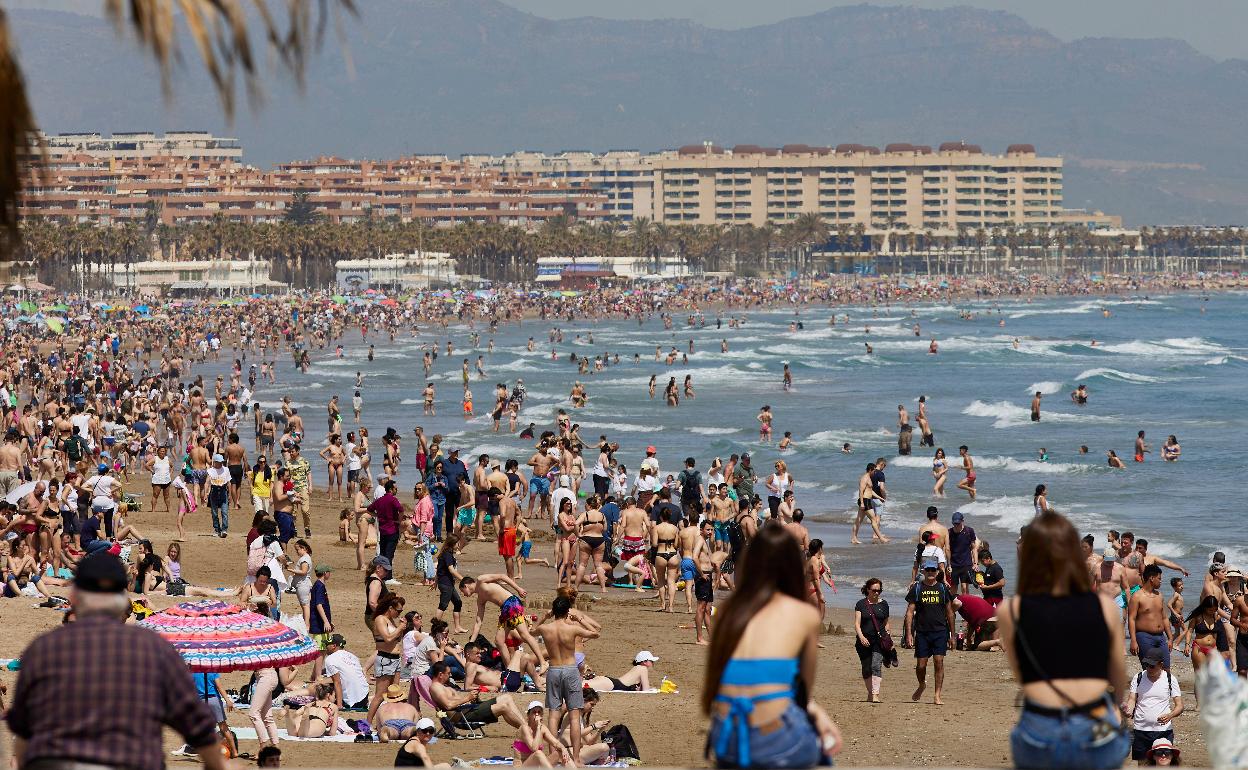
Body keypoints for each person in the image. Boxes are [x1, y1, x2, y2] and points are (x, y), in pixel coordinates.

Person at [7, 551, 228, 770]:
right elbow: (195, 722)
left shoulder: (44, 650)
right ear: (122, 597)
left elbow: (24, 735)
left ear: (75, 597)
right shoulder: (152, 649)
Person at [996, 511, 1130, 768]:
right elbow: (1117, 676)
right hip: (1092, 722)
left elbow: (1023, 675)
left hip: (1039, 729)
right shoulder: (1104, 607)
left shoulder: (1010, 611)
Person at [704, 521, 842, 768]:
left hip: (727, 738)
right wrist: (817, 714)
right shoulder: (803, 614)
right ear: (791, 566)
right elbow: (802, 693)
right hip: (775, 741)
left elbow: (712, 690)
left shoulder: (729, 611)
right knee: (821, 750)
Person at [534, 595, 599, 763]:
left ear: (554, 611)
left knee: (554, 715)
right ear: (567, 612)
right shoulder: (573, 628)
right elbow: (595, 634)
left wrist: (544, 617)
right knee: (574, 716)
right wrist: (580, 619)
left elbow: (531, 631)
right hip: (570, 670)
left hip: (554, 670)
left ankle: (552, 757)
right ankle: (576, 758)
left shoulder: (546, 629)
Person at [905, 557, 957, 705]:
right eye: (927, 570)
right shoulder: (917, 588)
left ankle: (937, 695)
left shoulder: (942, 588)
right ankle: (922, 684)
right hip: (922, 632)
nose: (930, 572)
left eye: (933, 570)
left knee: (938, 661)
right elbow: (910, 612)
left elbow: (950, 612)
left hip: (940, 631)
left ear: (937, 571)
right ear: (923, 571)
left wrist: (952, 636)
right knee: (921, 665)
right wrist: (909, 634)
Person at [1123, 650, 1183, 765]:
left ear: (1161, 664)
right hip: (1141, 730)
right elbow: (1132, 699)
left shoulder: (1170, 679)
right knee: (1142, 764)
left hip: (1163, 731)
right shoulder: (1138, 677)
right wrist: (1129, 710)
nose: (1149, 668)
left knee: (1163, 764)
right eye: (1146, 665)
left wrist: (1170, 715)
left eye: (1152, 666)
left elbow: (1179, 705)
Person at [854, 577, 895, 703]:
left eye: (879, 590)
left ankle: (875, 694)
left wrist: (888, 636)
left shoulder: (884, 604)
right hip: (864, 640)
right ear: (868, 590)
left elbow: (886, 623)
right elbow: (857, 624)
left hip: (879, 640)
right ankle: (870, 693)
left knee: (876, 665)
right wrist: (861, 637)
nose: (877, 593)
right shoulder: (861, 604)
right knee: (866, 668)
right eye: (874, 590)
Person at [323, 633, 371, 710]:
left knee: (323, 686)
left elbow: (337, 682)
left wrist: (339, 705)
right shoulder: (353, 656)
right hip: (364, 696)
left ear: (334, 646)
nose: (326, 647)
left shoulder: (330, 659)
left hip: (351, 701)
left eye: (327, 645)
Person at [584, 650, 660, 692]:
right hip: (610, 684)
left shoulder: (638, 668)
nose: (653, 663)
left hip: (609, 682)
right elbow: (646, 691)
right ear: (645, 662)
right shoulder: (643, 669)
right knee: (575, 686)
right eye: (651, 661)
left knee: (577, 684)